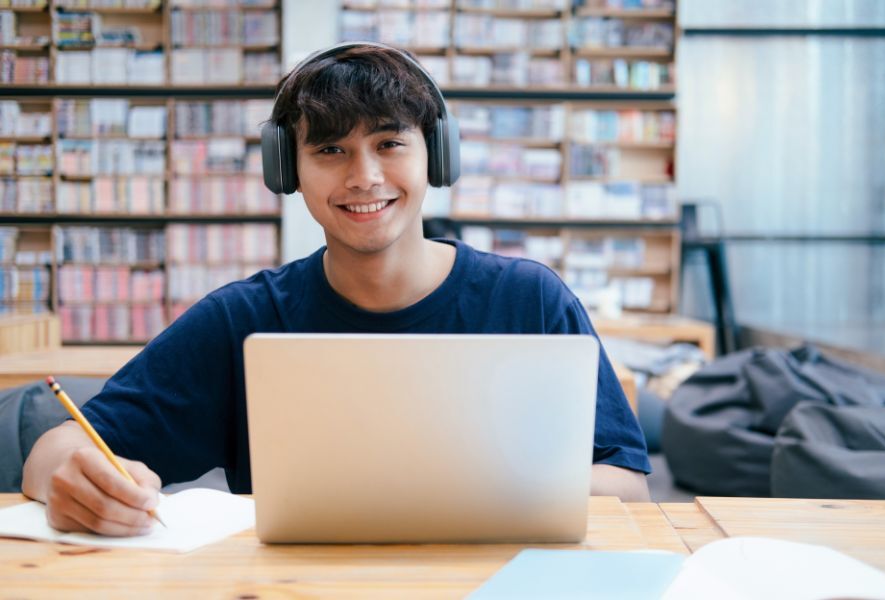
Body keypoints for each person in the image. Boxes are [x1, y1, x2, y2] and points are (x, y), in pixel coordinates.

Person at [23, 42, 651, 537]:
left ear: (435, 155)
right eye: (330, 149)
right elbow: (54, 451)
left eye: (389, 143)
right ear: (286, 170)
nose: (365, 177)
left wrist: (468, 493)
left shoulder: (528, 300)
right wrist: (73, 480)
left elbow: (629, 489)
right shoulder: (245, 319)